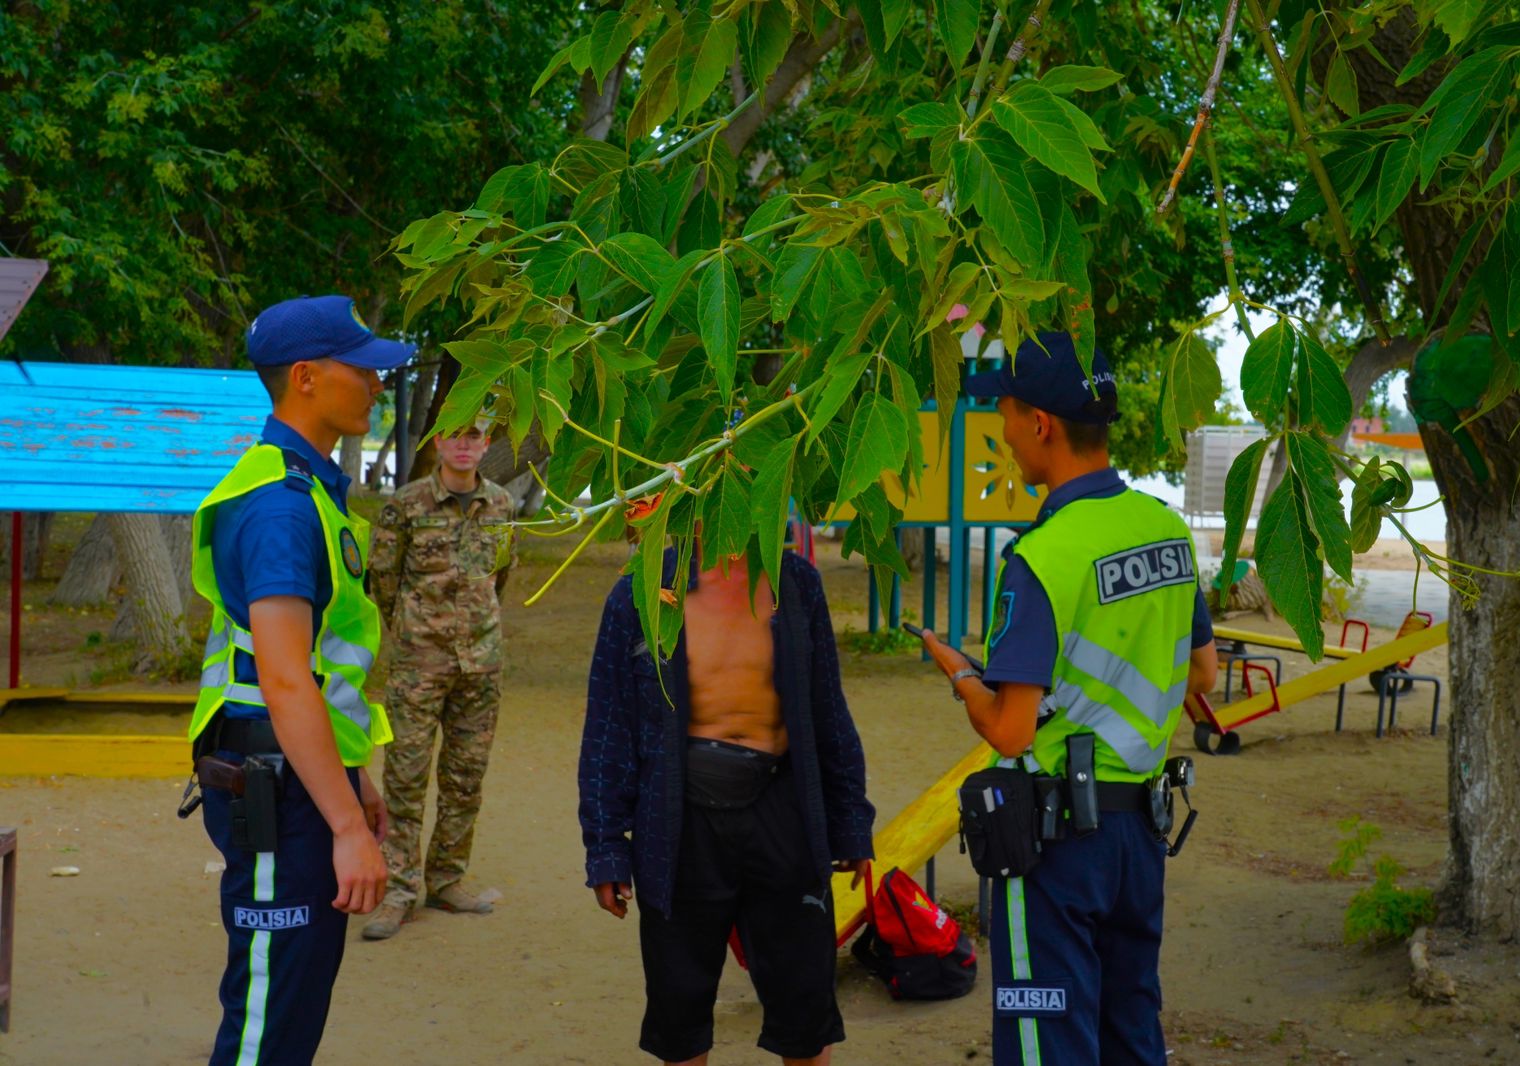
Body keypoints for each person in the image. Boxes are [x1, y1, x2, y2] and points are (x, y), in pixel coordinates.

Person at [916, 333, 1218, 1066]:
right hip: (1140, 840)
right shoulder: (1166, 530)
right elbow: (1202, 676)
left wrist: (962, 677)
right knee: (1130, 1033)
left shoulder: (1042, 555)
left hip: (1055, 852)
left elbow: (1013, 732)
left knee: (1046, 1040)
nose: (1007, 434)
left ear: (1041, 424)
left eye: (1008, 417)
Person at [182, 294, 412, 1064]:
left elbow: (313, 669)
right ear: (307, 377)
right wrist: (346, 825)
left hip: (294, 780)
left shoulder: (305, 490)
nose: (378, 386)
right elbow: (283, 682)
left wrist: (352, 781)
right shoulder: (280, 507)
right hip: (275, 791)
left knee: (290, 1006)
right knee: (267, 1025)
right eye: (364, 370)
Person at [580, 539, 876, 1065]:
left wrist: (850, 820)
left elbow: (827, 706)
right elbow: (609, 724)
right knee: (680, 1005)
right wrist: (605, 847)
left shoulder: (796, 583)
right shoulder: (642, 591)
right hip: (678, 822)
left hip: (782, 812)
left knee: (804, 1005)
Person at [362, 419, 516, 939]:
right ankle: (400, 889)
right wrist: (412, 630)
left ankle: (446, 878)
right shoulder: (404, 505)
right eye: (455, 436)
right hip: (418, 667)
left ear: (487, 443)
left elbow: (501, 577)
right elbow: (383, 578)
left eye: (474, 436)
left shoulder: (501, 505)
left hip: (481, 665)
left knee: (465, 779)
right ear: (438, 444)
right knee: (405, 780)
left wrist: (475, 628)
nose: (465, 445)